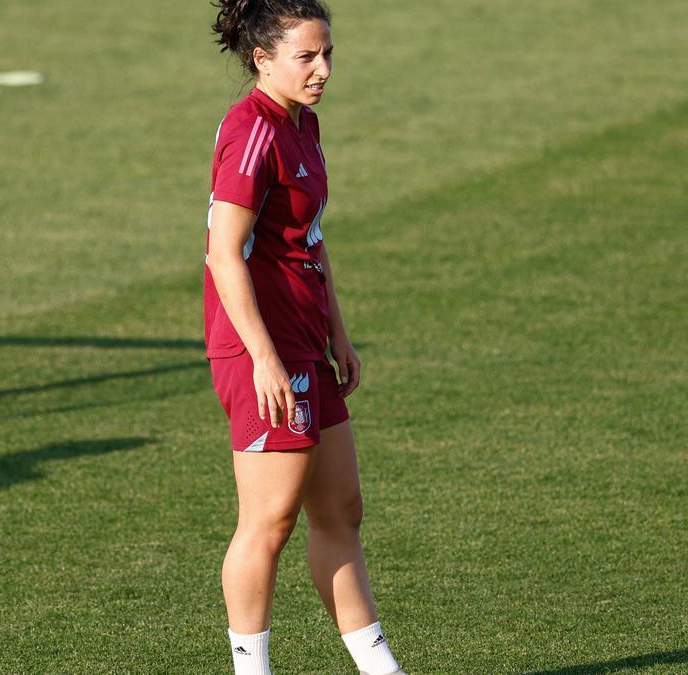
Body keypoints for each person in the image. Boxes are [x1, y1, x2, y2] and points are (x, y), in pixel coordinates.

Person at [205, 2, 405, 674]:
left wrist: (338, 334)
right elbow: (223, 254)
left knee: (341, 509)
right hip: (262, 349)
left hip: (306, 343)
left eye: (327, 55)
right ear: (262, 59)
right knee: (270, 520)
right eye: (306, 57)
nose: (322, 71)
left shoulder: (303, 125)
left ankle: (380, 667)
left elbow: (308, 240)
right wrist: (263, 358)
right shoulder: (251, 131)